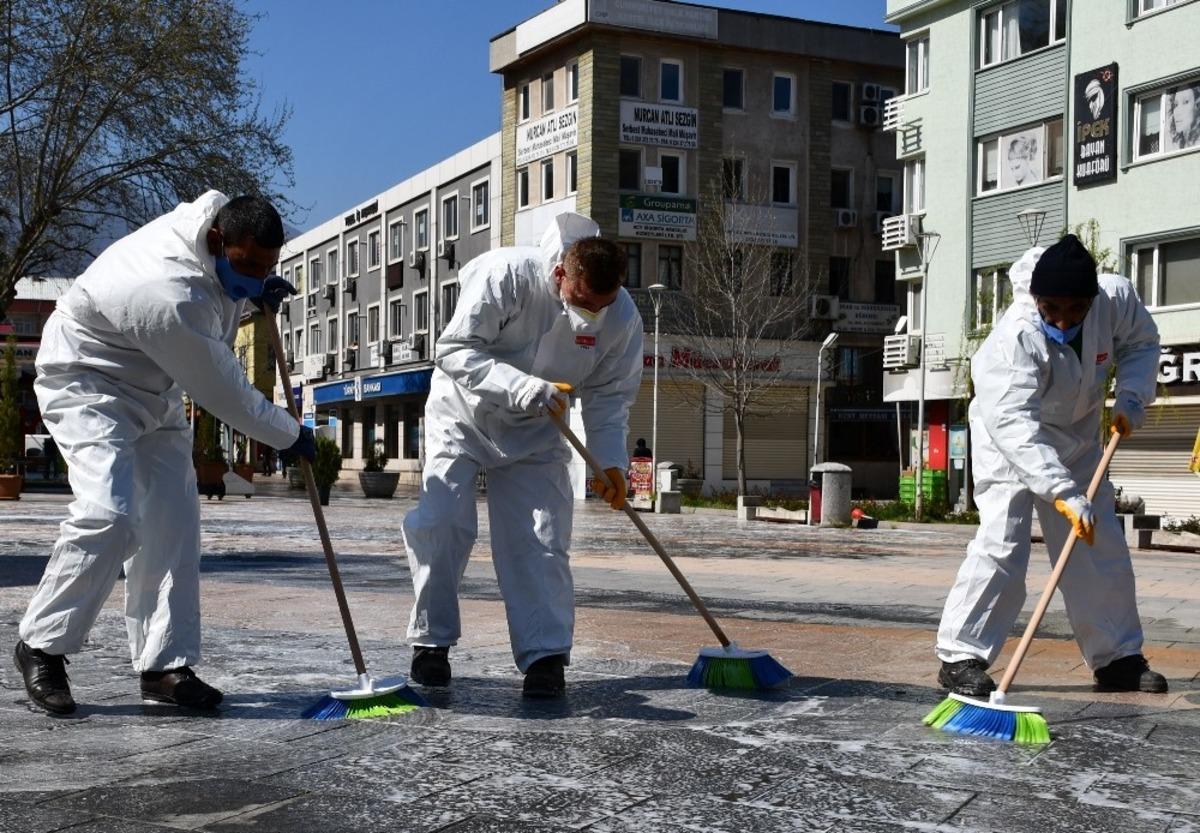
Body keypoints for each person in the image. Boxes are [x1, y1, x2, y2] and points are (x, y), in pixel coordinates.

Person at [14, 192, 315, 715]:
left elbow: (217, 303)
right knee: (110, 515)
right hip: (89, 381)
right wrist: (291, 433)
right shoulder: (165, 289)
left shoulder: (212, 254)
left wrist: (253, 291)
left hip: (155, 391)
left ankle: (163, 666)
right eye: (247, 266)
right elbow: (224, 392)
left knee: (173, 526)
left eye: (267, 267)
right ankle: (41, 645)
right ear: (218, 241)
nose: (253, 276)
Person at [402, 212, 643, 699]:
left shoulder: (622, 316)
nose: (591, 314)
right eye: (583, 301)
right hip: (463, 416)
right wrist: (519, 387)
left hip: (538, 428)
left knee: (542, 538)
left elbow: (610, 394)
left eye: (604, 303)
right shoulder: (505, 275)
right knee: (444, 521)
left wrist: (611, 461)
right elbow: (454, 349)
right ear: (560, 274)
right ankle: (431, 644)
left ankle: (545, 657)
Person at [936, 234, 1167, 697]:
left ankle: (1117, 657)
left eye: (1075, 310)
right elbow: (1014, 422)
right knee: (1003, 540)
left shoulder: (1115, 298)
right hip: (1010, 443)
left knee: (1099, 546)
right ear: (1037, 300)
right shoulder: (1014, 338)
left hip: (1078, 440)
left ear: (1092, 299)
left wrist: (1131, 397)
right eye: (1052, 310)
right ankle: (961, 654)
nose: (1063, 320)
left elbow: (1142, 342)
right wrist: (1061, 492)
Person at [1167, 84, 1200, 150]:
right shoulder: (1181, 144)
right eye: (1176, 105)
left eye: (1185, 102)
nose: (1178, 112)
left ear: (1197, 105)